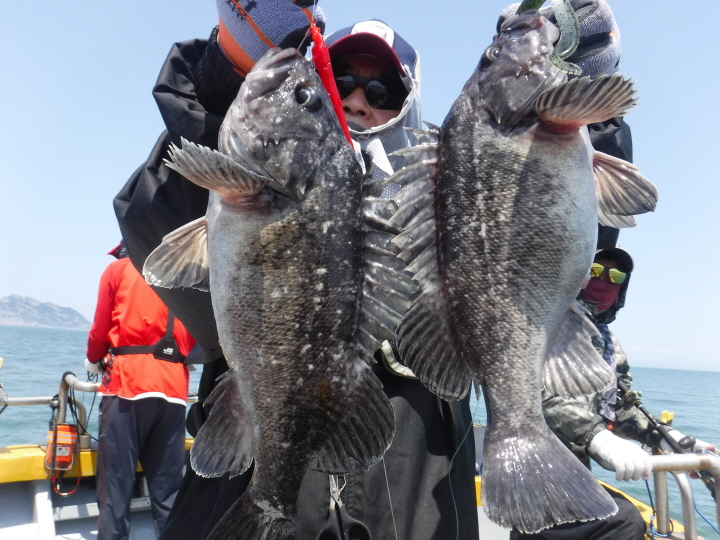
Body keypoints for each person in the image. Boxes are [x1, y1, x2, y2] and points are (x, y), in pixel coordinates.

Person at [112, 1, 626, 538]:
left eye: (383, 93)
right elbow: (153, 223)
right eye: (343, 81)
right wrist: (229, 68)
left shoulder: (455, 195)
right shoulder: (243, 186)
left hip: (414, 510)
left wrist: (581, 96)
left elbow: (554, 231)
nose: (359, 100)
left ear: (412, 105)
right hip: (245, 491)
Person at [510, 247, 715, 540]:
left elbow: (619, 405)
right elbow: (541, 394)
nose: (604, 280)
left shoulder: (608, 343)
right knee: (623, 522)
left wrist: (669, 438)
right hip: (530, 467)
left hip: (572, 471)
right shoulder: (545, 325)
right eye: (594, 271)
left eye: (615, 276)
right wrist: (599, 438)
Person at [85, 241, 196, 540]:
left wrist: (93, 358)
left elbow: (100, 328)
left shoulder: (118, 270)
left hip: (127, 386)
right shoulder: (184, 277)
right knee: (168, 489)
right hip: (174, 389)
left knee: (116, 488)